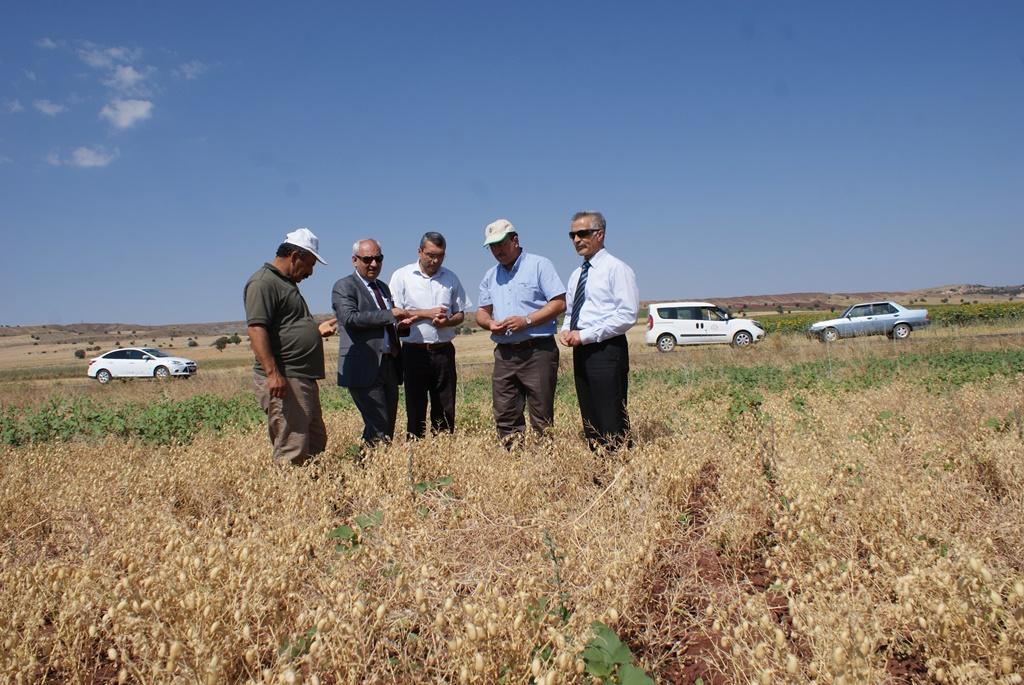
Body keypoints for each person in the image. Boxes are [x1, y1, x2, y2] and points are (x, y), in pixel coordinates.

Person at [244, 228, 338, 466]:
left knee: (314, 440)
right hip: (286, 377)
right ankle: (288, 495)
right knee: (292, 444)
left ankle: (310, 493)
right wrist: (273, 374)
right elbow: (256, 329)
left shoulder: (285, 283)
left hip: (300, 377)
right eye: (309, 264)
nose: (310, 272)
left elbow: (285, 329)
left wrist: (316, 332)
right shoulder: (264, 282)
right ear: (295, 256)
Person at [476, 219, 566, 445]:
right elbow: (481, 313)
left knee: (541, 415)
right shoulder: (490, 276)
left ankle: (543, 467)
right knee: (505, 413)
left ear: (515, 240)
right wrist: (490, 324)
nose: (497, 250)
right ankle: (514, 464)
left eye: (500, 244)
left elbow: (559, 303)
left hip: (537, 351)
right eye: (492, 247)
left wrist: (527, 321)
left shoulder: (539, 265)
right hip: (505, 353)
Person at [558, 211, 639, 450]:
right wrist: (566, 330)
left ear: (600, 234)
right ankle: (600, 470)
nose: (576, 240)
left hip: (607, 349)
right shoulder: (577, 274)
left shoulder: (617, 269)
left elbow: (627, 315)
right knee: (590, 414)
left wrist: (584, 335)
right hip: (582, 350)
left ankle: (621, 471)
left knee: (610, 415)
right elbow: (571, 311)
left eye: (582, 233)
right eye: (572, 235)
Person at [332, 239, 414, 447]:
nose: (374, 264)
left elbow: (385, 322)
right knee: (378, 424)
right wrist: (389, 315)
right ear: (354, 260)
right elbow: (350, 319)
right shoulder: (344, 286)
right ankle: (368, 472)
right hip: (363, 366)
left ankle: (377, 472)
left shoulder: (383, 288)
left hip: (388, 364)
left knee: (387, 426)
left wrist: (400, 325)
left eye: (378, 259)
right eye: (367, 259)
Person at [389, 232, 471, 438]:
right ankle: (417, 456)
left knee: (445, 408)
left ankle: (442, 453)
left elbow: (460, 313)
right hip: (413, 352)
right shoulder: (402, 276)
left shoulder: (451, 278)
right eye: (430, 255)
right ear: (419, 251)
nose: (435, 260)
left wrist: (447, 321)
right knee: (415, 408)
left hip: (443, 351)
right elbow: (394, 312)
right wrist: (426, 313)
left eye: (440, 256)